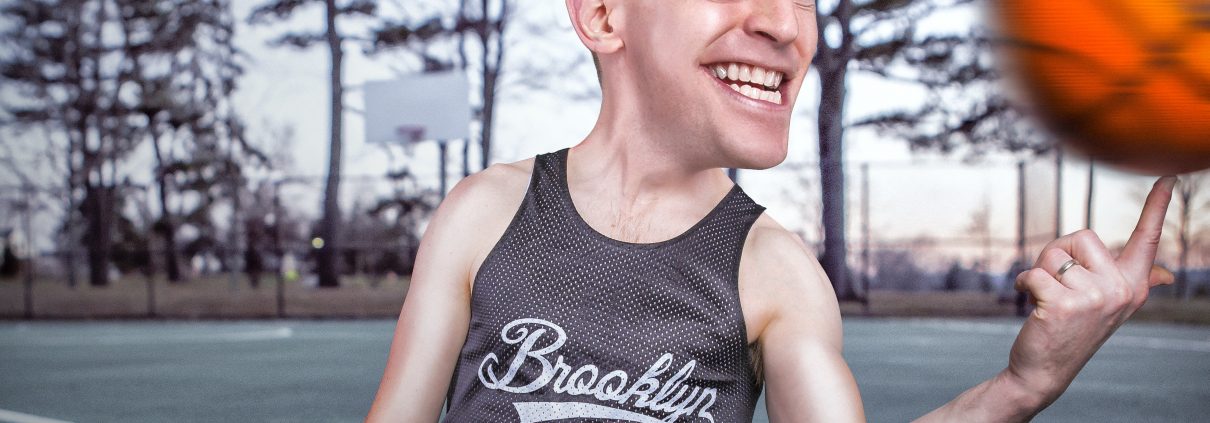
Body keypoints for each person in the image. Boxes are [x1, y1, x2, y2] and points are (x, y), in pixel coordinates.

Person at [366, 0, 1177, 421]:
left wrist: (1022, 386)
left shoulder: (776, 273)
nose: (786, 25)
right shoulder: (484, 216)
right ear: (605, 16)